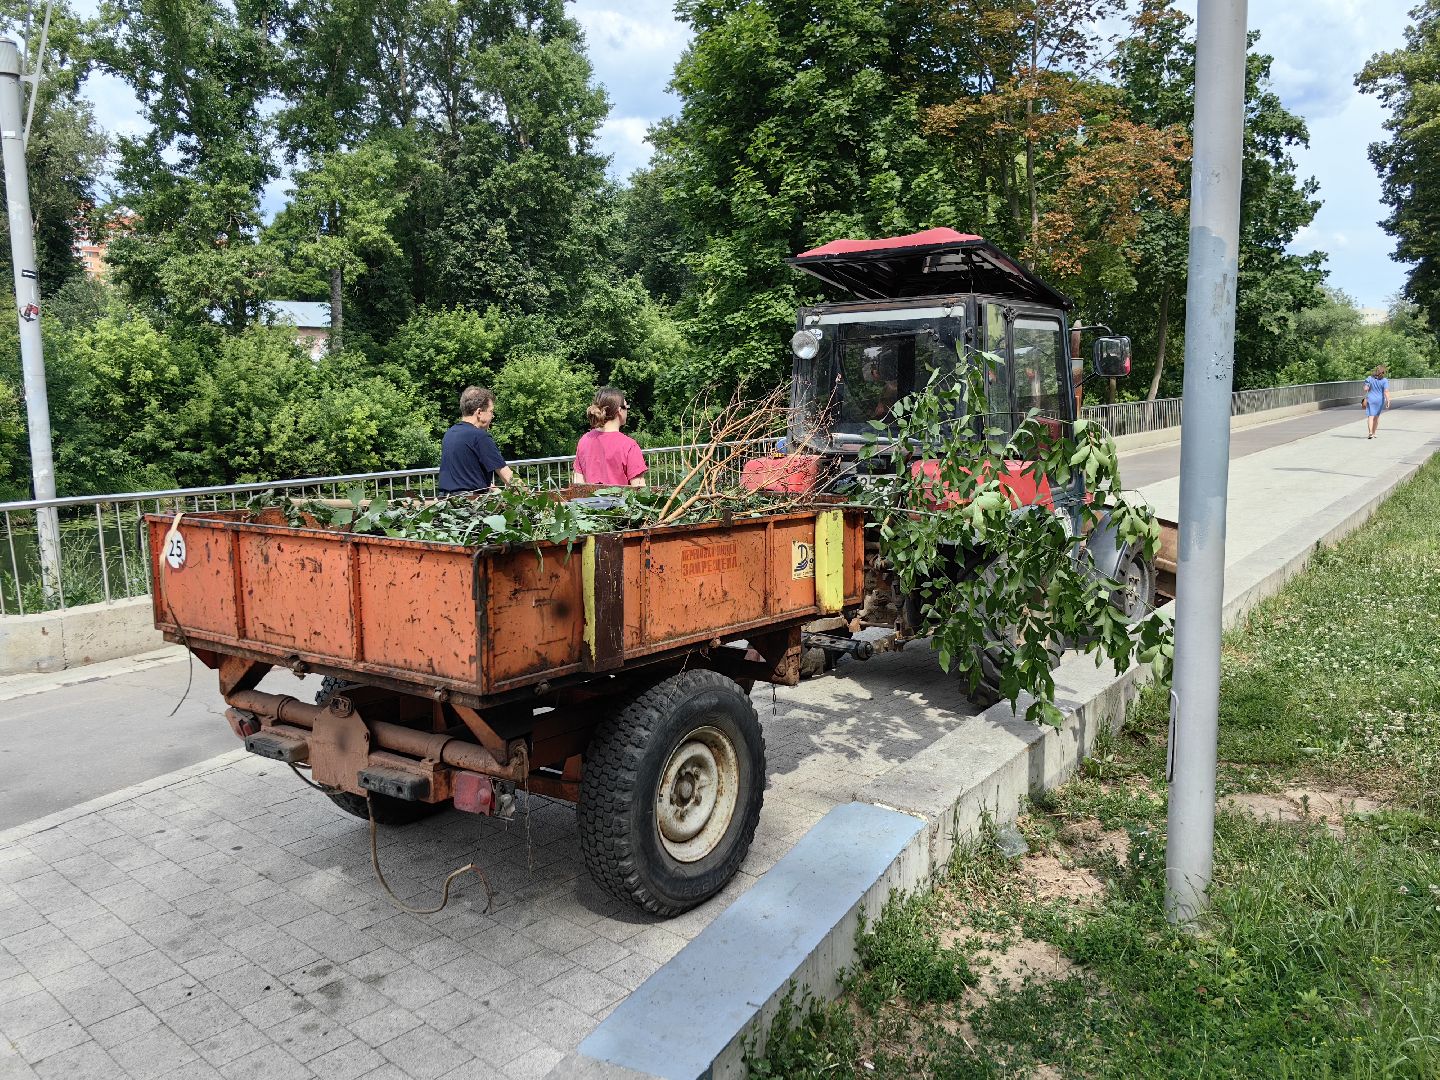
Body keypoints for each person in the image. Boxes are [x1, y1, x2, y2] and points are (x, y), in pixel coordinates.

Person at [438, 385, 513, 494]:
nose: (493, 416)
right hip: (470, 505)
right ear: (479, 412)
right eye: (491, 411)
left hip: (446, 502)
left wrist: (498, 491)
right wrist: (530, 497)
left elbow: (465, 479)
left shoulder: (450, 434)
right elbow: (508, 478)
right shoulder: (480, 437)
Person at [573, 387, 646, 487]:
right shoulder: (629, 446)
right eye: (626, 406)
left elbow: (578, 486)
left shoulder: (584, 441)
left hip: (589, 502)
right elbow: (640, 492)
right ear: (620, 410)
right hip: (619, 503)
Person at [1363, 364, 1391, 440]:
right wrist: (1388, 401)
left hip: (1370, 399)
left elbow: (1365, 389)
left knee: (1370, 416)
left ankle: (1370, 433)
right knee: (1376, 417)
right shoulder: (1384, 380)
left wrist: (1367, 385)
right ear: (1383, 372)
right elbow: (1386, 391)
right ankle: (1374, 433)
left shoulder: (1370, 378)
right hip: (1379, 400)